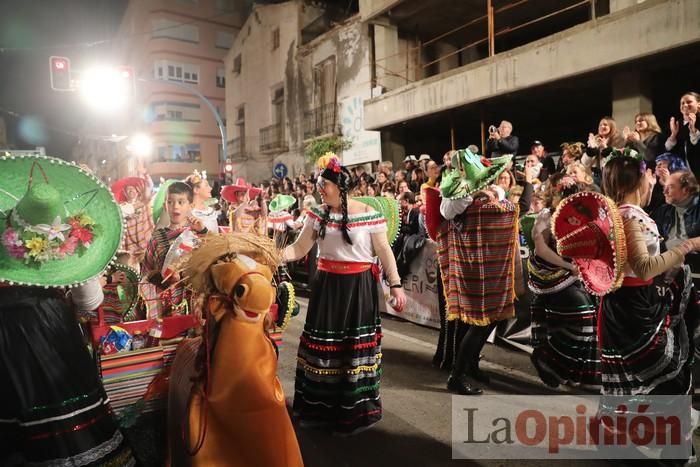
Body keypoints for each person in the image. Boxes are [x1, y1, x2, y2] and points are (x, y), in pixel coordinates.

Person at [0, 155, 135, 465]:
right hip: (52, 333)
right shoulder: (69, 250)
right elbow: (89, 303)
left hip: (5, 342)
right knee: (69, 423)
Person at [282, 153, 406, 436]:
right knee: (324, 348)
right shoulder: (317, 214)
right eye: (317, 185)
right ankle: (318, 410)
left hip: (359, 287)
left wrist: (395, 284)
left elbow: (384, 251)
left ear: (339, 185)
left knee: (352, 348)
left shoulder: (368, 214)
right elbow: (299, 250)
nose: (319, 190)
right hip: (327, 287)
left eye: (323, 184)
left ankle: (355, 412)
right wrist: (271, 255)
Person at [598, 150, 700, 396]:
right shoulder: (629, 216)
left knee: (639, 382)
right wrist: (687, 246)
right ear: (637, 181)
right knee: (657, 379)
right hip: (633, 305)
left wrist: (669, 263)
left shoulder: (617, 213)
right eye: (649, 176)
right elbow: (644, 269)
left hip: (624, 302)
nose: (653, 181)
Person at [425, 149, 523, 395]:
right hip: (471, 264)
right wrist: (474, 194)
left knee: (494, 316)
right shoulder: (455, 190)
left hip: (491, 263)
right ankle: (456, 376)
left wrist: (491, 192)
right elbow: (448, 211)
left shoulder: (489, 187)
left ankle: (470, 365)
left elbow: (504, 198)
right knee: (478, 320)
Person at [527, 174, 600, 389]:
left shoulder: (582, 217)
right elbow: (541, 249)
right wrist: (569, 266)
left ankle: (576, 372)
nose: (567, 198)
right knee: (584, 317)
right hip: (551, 276)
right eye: (564, 194)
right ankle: (547, 359)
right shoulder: (545, 216)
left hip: (576, 274)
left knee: (591, 318)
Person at [142, 181, 208, 316]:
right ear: (164, 206)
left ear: (191, 205)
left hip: (194, 307)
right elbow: (146, 275)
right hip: (163, 307)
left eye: (181, 202)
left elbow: (207, 270)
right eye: (170, 202)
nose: (175, 207)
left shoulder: (197, 235)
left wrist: (203, 232)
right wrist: (162, 277)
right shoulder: (157, 238)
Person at [652, 171, 700, 287]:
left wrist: (689, 245)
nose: (665, 191)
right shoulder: (663, 210)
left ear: (686, 190)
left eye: (671, 187)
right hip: (667, 278)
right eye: (665, 186)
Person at [111, 174, 155, 264]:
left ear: (137, 190)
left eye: (133, 188)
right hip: (130, 250)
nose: (131, 191)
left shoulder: (145, 201)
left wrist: (147, 178)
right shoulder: (122, 207)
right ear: (124, 192)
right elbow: (119, 215)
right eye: (128, 189)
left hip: (146, 247)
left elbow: (149, 190)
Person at [667, 91, 700, 179]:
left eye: (689, 102)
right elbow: (667, 148)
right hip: (681, 174)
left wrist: (693, 130)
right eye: (682, 103)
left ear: (698, 104)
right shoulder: (677, 123)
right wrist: (673, 135)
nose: (685, 105)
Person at [582, 116, 625, 184]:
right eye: (600, 125)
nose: (602, 127)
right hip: (596, 176)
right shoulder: (594, 140)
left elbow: (617, 161)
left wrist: (605, 148)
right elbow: (585, 163)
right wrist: (591, 150)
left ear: (612, 127)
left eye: (605, 125)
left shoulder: (619, 140)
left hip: (611, 175)